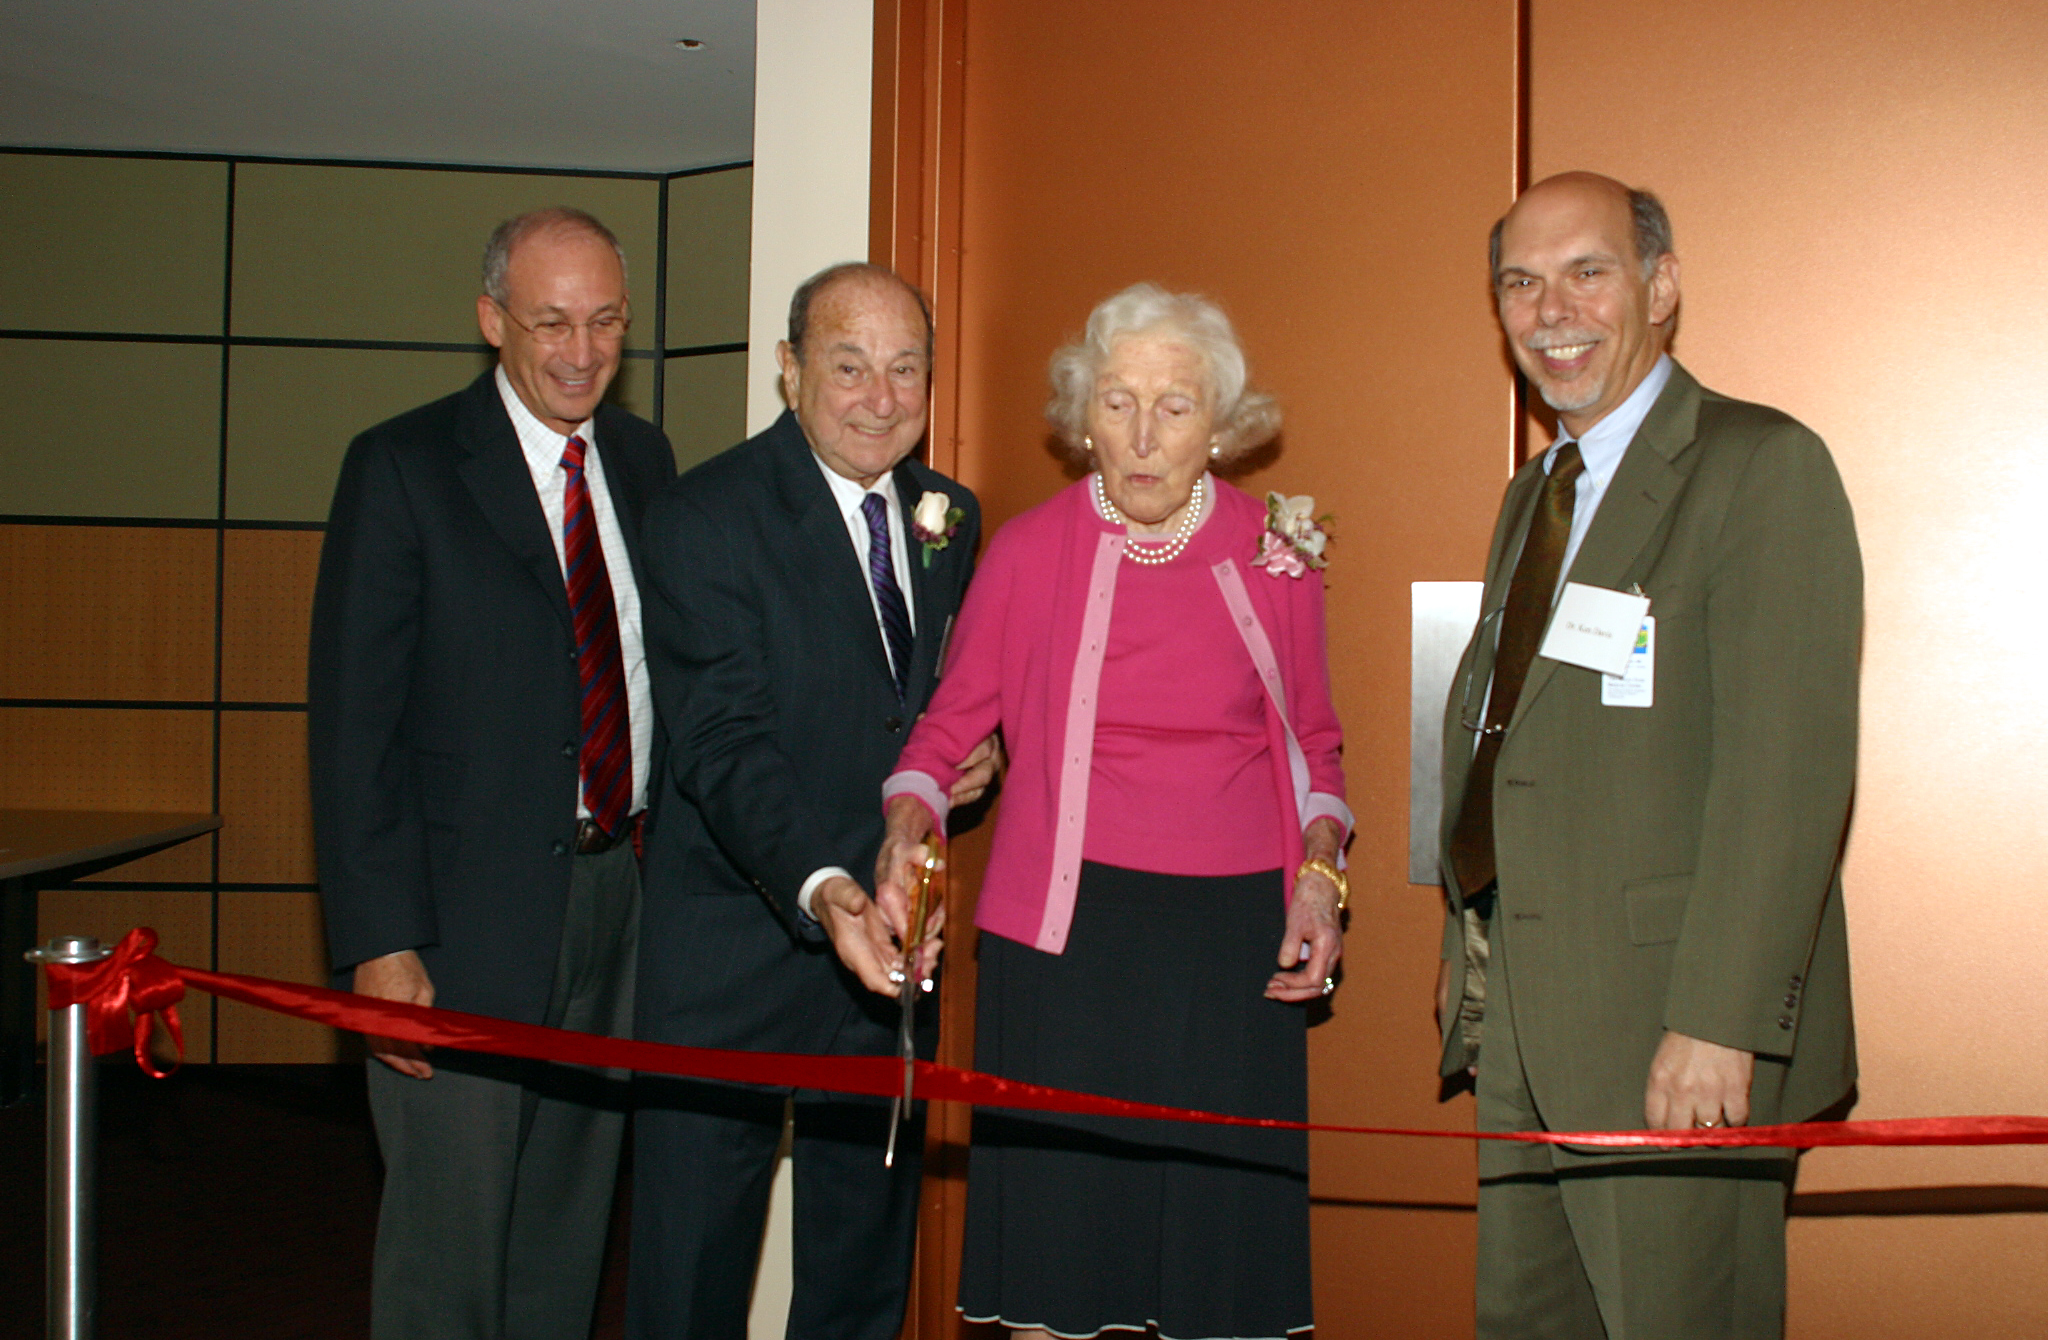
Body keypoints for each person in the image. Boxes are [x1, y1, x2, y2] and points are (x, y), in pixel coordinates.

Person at [879, 282, 1353, 1340]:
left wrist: (1322, 874)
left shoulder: (1277, 549)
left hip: (1231, 951)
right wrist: (904, 825)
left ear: (1221, 428)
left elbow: (1314, 743)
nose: (1141, 437)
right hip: (1062, 948)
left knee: (1215, 1276)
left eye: (1174, 406)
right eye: (1115, 401)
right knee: (1061, 1262)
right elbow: (943, 731)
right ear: (1079, 414)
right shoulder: (1027, 549)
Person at [1436, 172, 1861, 1339]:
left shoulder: (1757, 466)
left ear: (1660, 286)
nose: (1549, 310)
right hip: (1526, 1016)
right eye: (1518, 282)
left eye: (1587, 271)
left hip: (1675, 1029)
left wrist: (1720, 1018)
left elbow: (1787, 775)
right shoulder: (1535, 493)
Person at [309, 206, 676, 1339]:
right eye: (551, 321)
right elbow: (352, 730)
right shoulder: (402, 466)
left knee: (566, 1231)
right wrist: (378, 944)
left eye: (606, 321)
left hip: (617, 899)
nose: (581, 351)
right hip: (456, 926)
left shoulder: (643, 456)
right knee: (448, 1250)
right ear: (490, 321)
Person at [627, 262, 996, 1340]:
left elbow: (935, 705)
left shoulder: (950, 517)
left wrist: (971, 758)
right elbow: (720, 741)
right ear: (788, 372)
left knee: (858, 1271)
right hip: (733, 955)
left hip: (887, 959)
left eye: (904, 368)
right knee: (689, 1275)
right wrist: (828, 888)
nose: (880, 397)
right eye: (848, 366)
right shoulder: (703, 515)